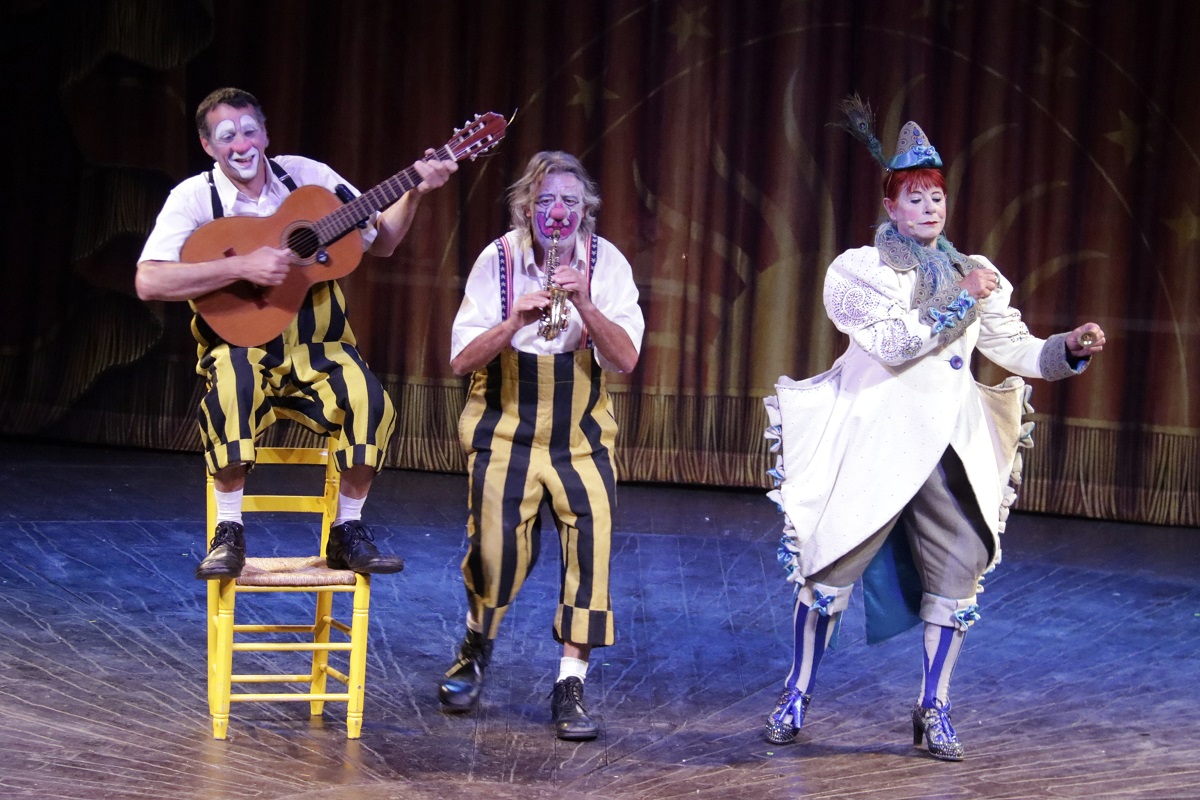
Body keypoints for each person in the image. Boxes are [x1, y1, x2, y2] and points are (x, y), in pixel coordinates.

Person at [761, 99, 1106, 760]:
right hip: (875, 442)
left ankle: (934, 705)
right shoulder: (859, 271)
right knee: (828, 569)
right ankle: (796, 692)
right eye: (915, 198)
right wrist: (960, 295)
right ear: (890, 207)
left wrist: (1068, 347)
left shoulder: (973, 270)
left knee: (958, 573)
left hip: (948, 448)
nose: (929, 208)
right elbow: (894, 343)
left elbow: (1014, 348)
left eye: (937, 197)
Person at [136, 87, 457, 580]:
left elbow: (382, 241)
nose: (241, 145)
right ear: (207, 145)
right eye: (227, 136)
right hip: (240, 344)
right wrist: (241, 266)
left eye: (249, 132)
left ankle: (347, 531)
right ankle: (228, 532)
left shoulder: (309, 179)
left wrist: (415, 190)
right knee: (232, 390)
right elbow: (149, 281)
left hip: (320, 344)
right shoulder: (195, 197)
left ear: (265, 134)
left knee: (369, 399)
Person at [439, 151, 644, 740]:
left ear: (586, 210)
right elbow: (461, 360)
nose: (558, 213)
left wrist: (585, 304)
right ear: (527, 207)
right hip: (505, 428)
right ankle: (476, 646)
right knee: (495, 552)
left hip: (580, 436)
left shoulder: (607, 263)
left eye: (570, 202)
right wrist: (512, 322)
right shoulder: (498, 260)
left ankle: (570, 684)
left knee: (591, 552)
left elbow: (626, 359)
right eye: (546, 201)